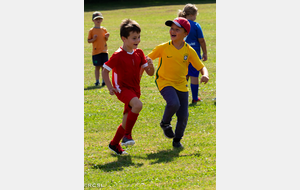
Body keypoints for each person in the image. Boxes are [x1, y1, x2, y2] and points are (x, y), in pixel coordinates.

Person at [147, 17, 209, 148]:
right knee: (174, 103)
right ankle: (165, 123)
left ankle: (177, 140)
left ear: (185, 33)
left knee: (183, 115)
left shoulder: (188, 50)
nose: (172, 31)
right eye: (171, 29)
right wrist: (146, 63)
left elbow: (201, 66)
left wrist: (205, 75)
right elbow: (147, 58)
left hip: (181, 84)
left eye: (177, 29)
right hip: (164, 81)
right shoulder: (163, 47)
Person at [102, 19, 155, 155]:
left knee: (126, 120)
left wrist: (151, 66)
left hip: (135, 89)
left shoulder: (139, 53)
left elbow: (150, 73)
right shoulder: (118, 55)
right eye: (134, 38)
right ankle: (127, 136)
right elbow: (105, 70)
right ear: (124, 39)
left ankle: (114, 144)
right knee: (138, 105)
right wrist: (110, 87)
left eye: (138, 37)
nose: (137, 40)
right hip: (122, 89)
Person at [178, 4, 208, 104]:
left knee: (184, 76)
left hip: (181, 54)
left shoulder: (180, 24)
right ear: (192, 15)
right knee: (194, 76)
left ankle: (179, 96)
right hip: (193, 54)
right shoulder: (195, 25)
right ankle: (195, 98)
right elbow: (202, 40)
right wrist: (205, 53)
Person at [87, 11, 110, 86]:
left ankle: (104, 81)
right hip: (96, 52)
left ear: (102, 20)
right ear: (93, 20)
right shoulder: (92, 30)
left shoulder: (104, 29)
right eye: (96, 19)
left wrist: (106, 37)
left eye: (100, 19)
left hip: (104, 51)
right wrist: (93, 39)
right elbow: (88, 41)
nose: (98, 20)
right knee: (97, 67)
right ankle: (97, 81)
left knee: (104, 67)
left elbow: (105, 40)